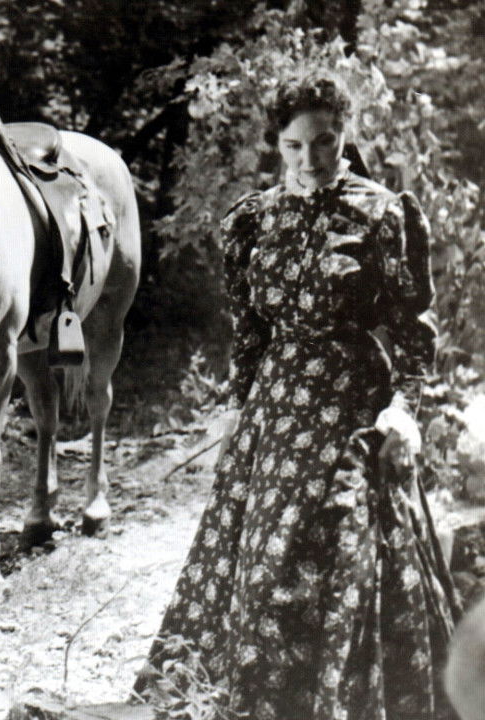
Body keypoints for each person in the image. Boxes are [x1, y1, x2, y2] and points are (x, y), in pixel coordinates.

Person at [136, 73, 461, 719]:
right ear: (275, 145)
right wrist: (237, 406)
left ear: (345, 137)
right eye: (292, 146)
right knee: (261, 568)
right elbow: (250, 330)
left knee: (341, 546)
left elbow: (412, 326)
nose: (309, 160)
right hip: (275, 417)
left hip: (351, 406)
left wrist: (404, 407)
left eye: (324, 143)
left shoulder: (382, 213)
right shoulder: (253, 221)